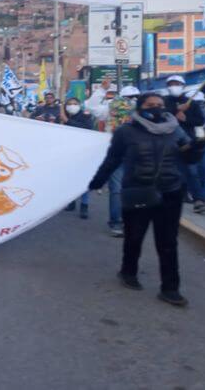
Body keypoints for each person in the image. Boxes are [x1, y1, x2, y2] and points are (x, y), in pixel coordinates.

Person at [88, 93, 192, 307]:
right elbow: (112, 159)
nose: (156, 108)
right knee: (134, 237)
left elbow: (189, 157)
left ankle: (170, 288)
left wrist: (197, 147)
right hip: (138, 192)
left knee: (168, 243)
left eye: (160, 105)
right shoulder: (126, 132)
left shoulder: (175, 130)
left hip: (170, 192)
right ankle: (128, 272)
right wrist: (97, 182)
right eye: (150, 105)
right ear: (140, 107)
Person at [86, 80, 141, 237]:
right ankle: (117, 222)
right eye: (130, 97)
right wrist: (102, 90)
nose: (133, 100)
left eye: (136, 97)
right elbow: (91, 107)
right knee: (117, 190)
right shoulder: (110, 109)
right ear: (120, 98)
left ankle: (127, 221)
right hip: (119, 153)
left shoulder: (144, 111)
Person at [164, 75, 205, 214]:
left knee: (191, 171)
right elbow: (158, 116)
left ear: (182, 86)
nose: (174, 86)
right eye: (171, 83)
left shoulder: (191, 103)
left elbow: (200, 121)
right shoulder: (163, 102)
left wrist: (186, 118)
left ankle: (198, 200)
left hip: (188, 142)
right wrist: (175, 112)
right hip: (167, 142)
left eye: (177, 83)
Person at [60, 97, 95, 218]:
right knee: (69, 179)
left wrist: (67, 121)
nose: (72, 106)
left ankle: (84, 206)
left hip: (84, 152)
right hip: (68, 152)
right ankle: (71, 202)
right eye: (69, 104)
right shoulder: (64, 115)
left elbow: (88, 127)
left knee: (84, 180)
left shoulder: (85, 115)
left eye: (75, 104)